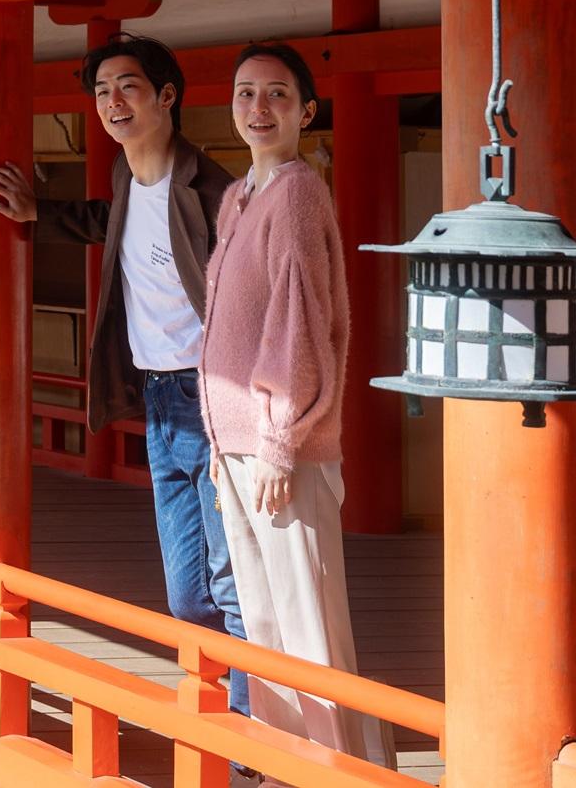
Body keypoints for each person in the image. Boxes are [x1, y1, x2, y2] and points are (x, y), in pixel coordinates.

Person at [0, 34, 251, 720]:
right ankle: (216, 709)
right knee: (189, 592)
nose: (112, 102)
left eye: (128, 86)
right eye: (101, 91)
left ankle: (247, 729)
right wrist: (43, 210)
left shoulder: (216, 190)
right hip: (161, 399)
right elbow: (118, 225)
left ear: (167, 96)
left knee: (231, 579)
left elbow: (256, 288)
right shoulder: (128, 178)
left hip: (214, 397)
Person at [201, 43, 393, 773]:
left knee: (309, 621)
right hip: (237, 442)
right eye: (247, 93)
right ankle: (283, 760)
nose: (259, 108)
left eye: (277, 95)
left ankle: (344, 767)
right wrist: (225, 448)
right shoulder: (238, 198)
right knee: (264, 620)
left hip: (281, 444)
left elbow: (300, 326)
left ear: (306, 111)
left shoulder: (299, 193)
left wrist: (280, 441)